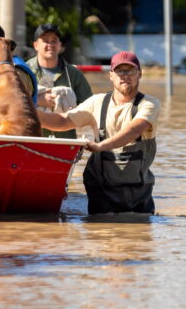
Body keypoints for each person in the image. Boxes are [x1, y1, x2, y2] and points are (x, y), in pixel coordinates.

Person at [38, 51, 160, 214]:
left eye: (130, 70)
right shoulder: (97, 102)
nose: (124, 75)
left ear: (139, 74)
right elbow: (63, 121)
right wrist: (30, 112)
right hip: (101, 198)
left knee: (137, 234)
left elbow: (133, 130)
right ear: (111, 75)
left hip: (138, 199)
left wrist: (101, 146)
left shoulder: (149, 104)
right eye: (119, 71)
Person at [26, 22, 93, 138]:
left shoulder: (73, 74)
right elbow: (13, 104)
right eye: (46, 40)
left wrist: (73, 109)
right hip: (33, 139)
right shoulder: (24, 72)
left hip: (66, 141)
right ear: (36, 45)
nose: (50, 44)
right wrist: (37, 99)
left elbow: (90, 106)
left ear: (60, 45)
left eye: (54, 40)